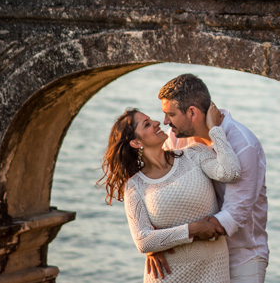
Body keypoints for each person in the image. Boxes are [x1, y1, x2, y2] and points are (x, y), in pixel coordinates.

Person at [148, 74, 270, 283]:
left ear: (192, 112)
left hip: (240, 258)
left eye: (171, 114)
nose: (166, 122)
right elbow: (154, 187)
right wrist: (153, 241)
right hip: (194, 255)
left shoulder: (243, 145)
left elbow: (233, 214)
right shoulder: (175, 139)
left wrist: (168, 238)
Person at [100, 104, 240, 283]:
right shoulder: (135, 186)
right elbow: (143, 240)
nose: (157, 122)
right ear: (136, 143)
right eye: (147, 124)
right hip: (167, 276)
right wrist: (194, 229)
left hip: (213, 270)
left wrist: (215, 130)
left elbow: (232, 172)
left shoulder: (195, 154)